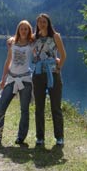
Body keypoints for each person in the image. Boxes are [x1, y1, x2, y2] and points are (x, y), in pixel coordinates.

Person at [0, 20, 34, 146]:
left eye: (26, 29)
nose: (23, 31)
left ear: (29, 31)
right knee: (1, 107)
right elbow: (8, 61)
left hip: (25, 80)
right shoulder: (12, 43)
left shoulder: (31, 44)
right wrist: (3, 78)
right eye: (21, 29)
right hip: (12, 79)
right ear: (18, 30)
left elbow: (40, 49)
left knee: (24, 110)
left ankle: (21, 138)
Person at [32, 13, 67, 146]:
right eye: (40, 22)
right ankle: (40, 137)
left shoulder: (55, 36)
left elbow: (63, 55)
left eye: (44, 21)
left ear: (48, 23)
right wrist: (10, 41)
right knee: (39, 107)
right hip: (38, 74)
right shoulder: (34, 37)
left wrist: (59, 68)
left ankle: (59, 137)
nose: (42, 24)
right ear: (37, 24)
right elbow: (20, 39)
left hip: (53, 74)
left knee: (55, 107)